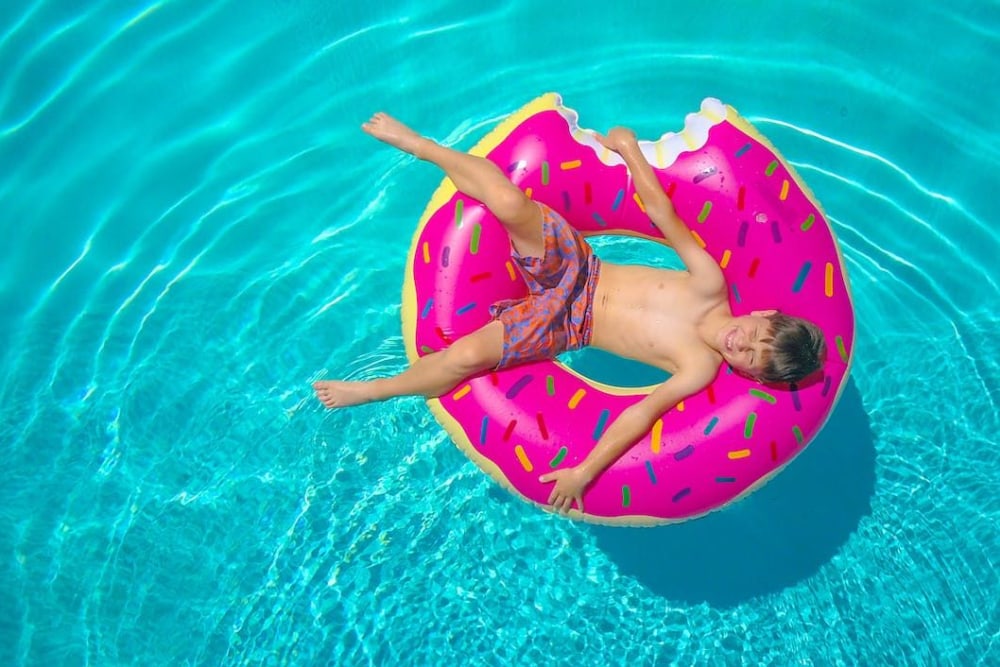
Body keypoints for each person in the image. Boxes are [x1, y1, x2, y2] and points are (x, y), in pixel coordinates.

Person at [314, 112, 826, 514]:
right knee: (508, 201)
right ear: (762, 312)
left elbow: (641, 414)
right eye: (757, 334)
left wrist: (586, 471)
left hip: (566, 326)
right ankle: (421, 146)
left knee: (466, 356)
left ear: (748, 374)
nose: (743, 343)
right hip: (581, 269)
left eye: (752, 357)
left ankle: (374, 390)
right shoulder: (710, 284)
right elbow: (663, 215)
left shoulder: (698, 367)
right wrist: (629, 150)